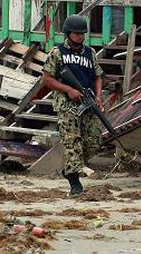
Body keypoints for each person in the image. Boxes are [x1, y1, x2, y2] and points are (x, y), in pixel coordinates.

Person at [42, 15, 104, 196]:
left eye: (83, 33)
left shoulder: (90, 53)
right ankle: (74, 182)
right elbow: (47, 79)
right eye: (77, 33)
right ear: (68, 33)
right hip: (66, 105)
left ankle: (70, 168)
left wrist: (99, 96)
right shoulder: (57, 52)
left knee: (94, 140)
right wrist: (68, 90)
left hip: (87, 101)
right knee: (72, 141)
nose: (81, 37)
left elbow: (98, 76)